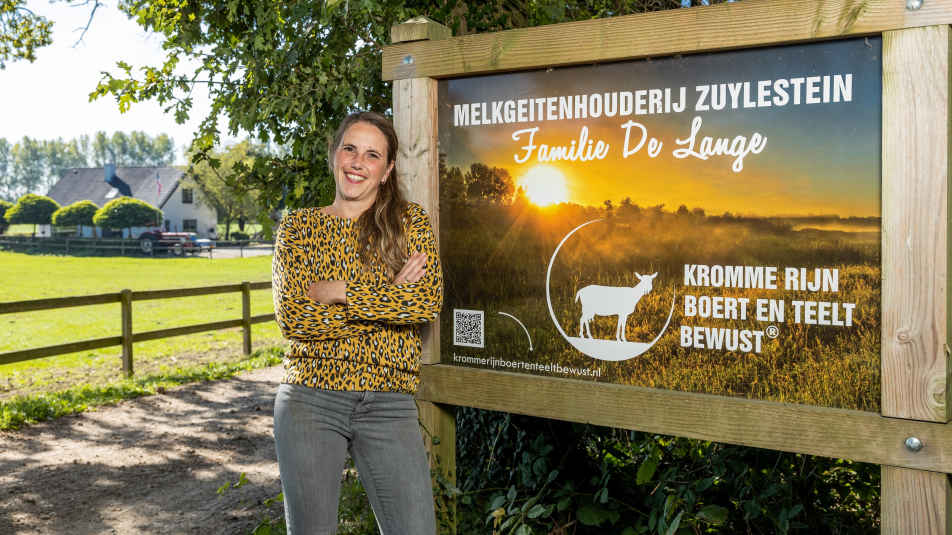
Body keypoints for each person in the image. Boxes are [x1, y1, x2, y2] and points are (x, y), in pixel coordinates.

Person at [271, 111, 442, 535]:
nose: (357, 162)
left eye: (372, 154)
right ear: (334, 156)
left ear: (387, 171)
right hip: (310, 398)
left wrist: (341, 290)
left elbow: (425, 302)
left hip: (389, 401)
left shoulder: (410, 224)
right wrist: (389, 299)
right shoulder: (298, 227)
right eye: (350, 148)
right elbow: (294, 319)